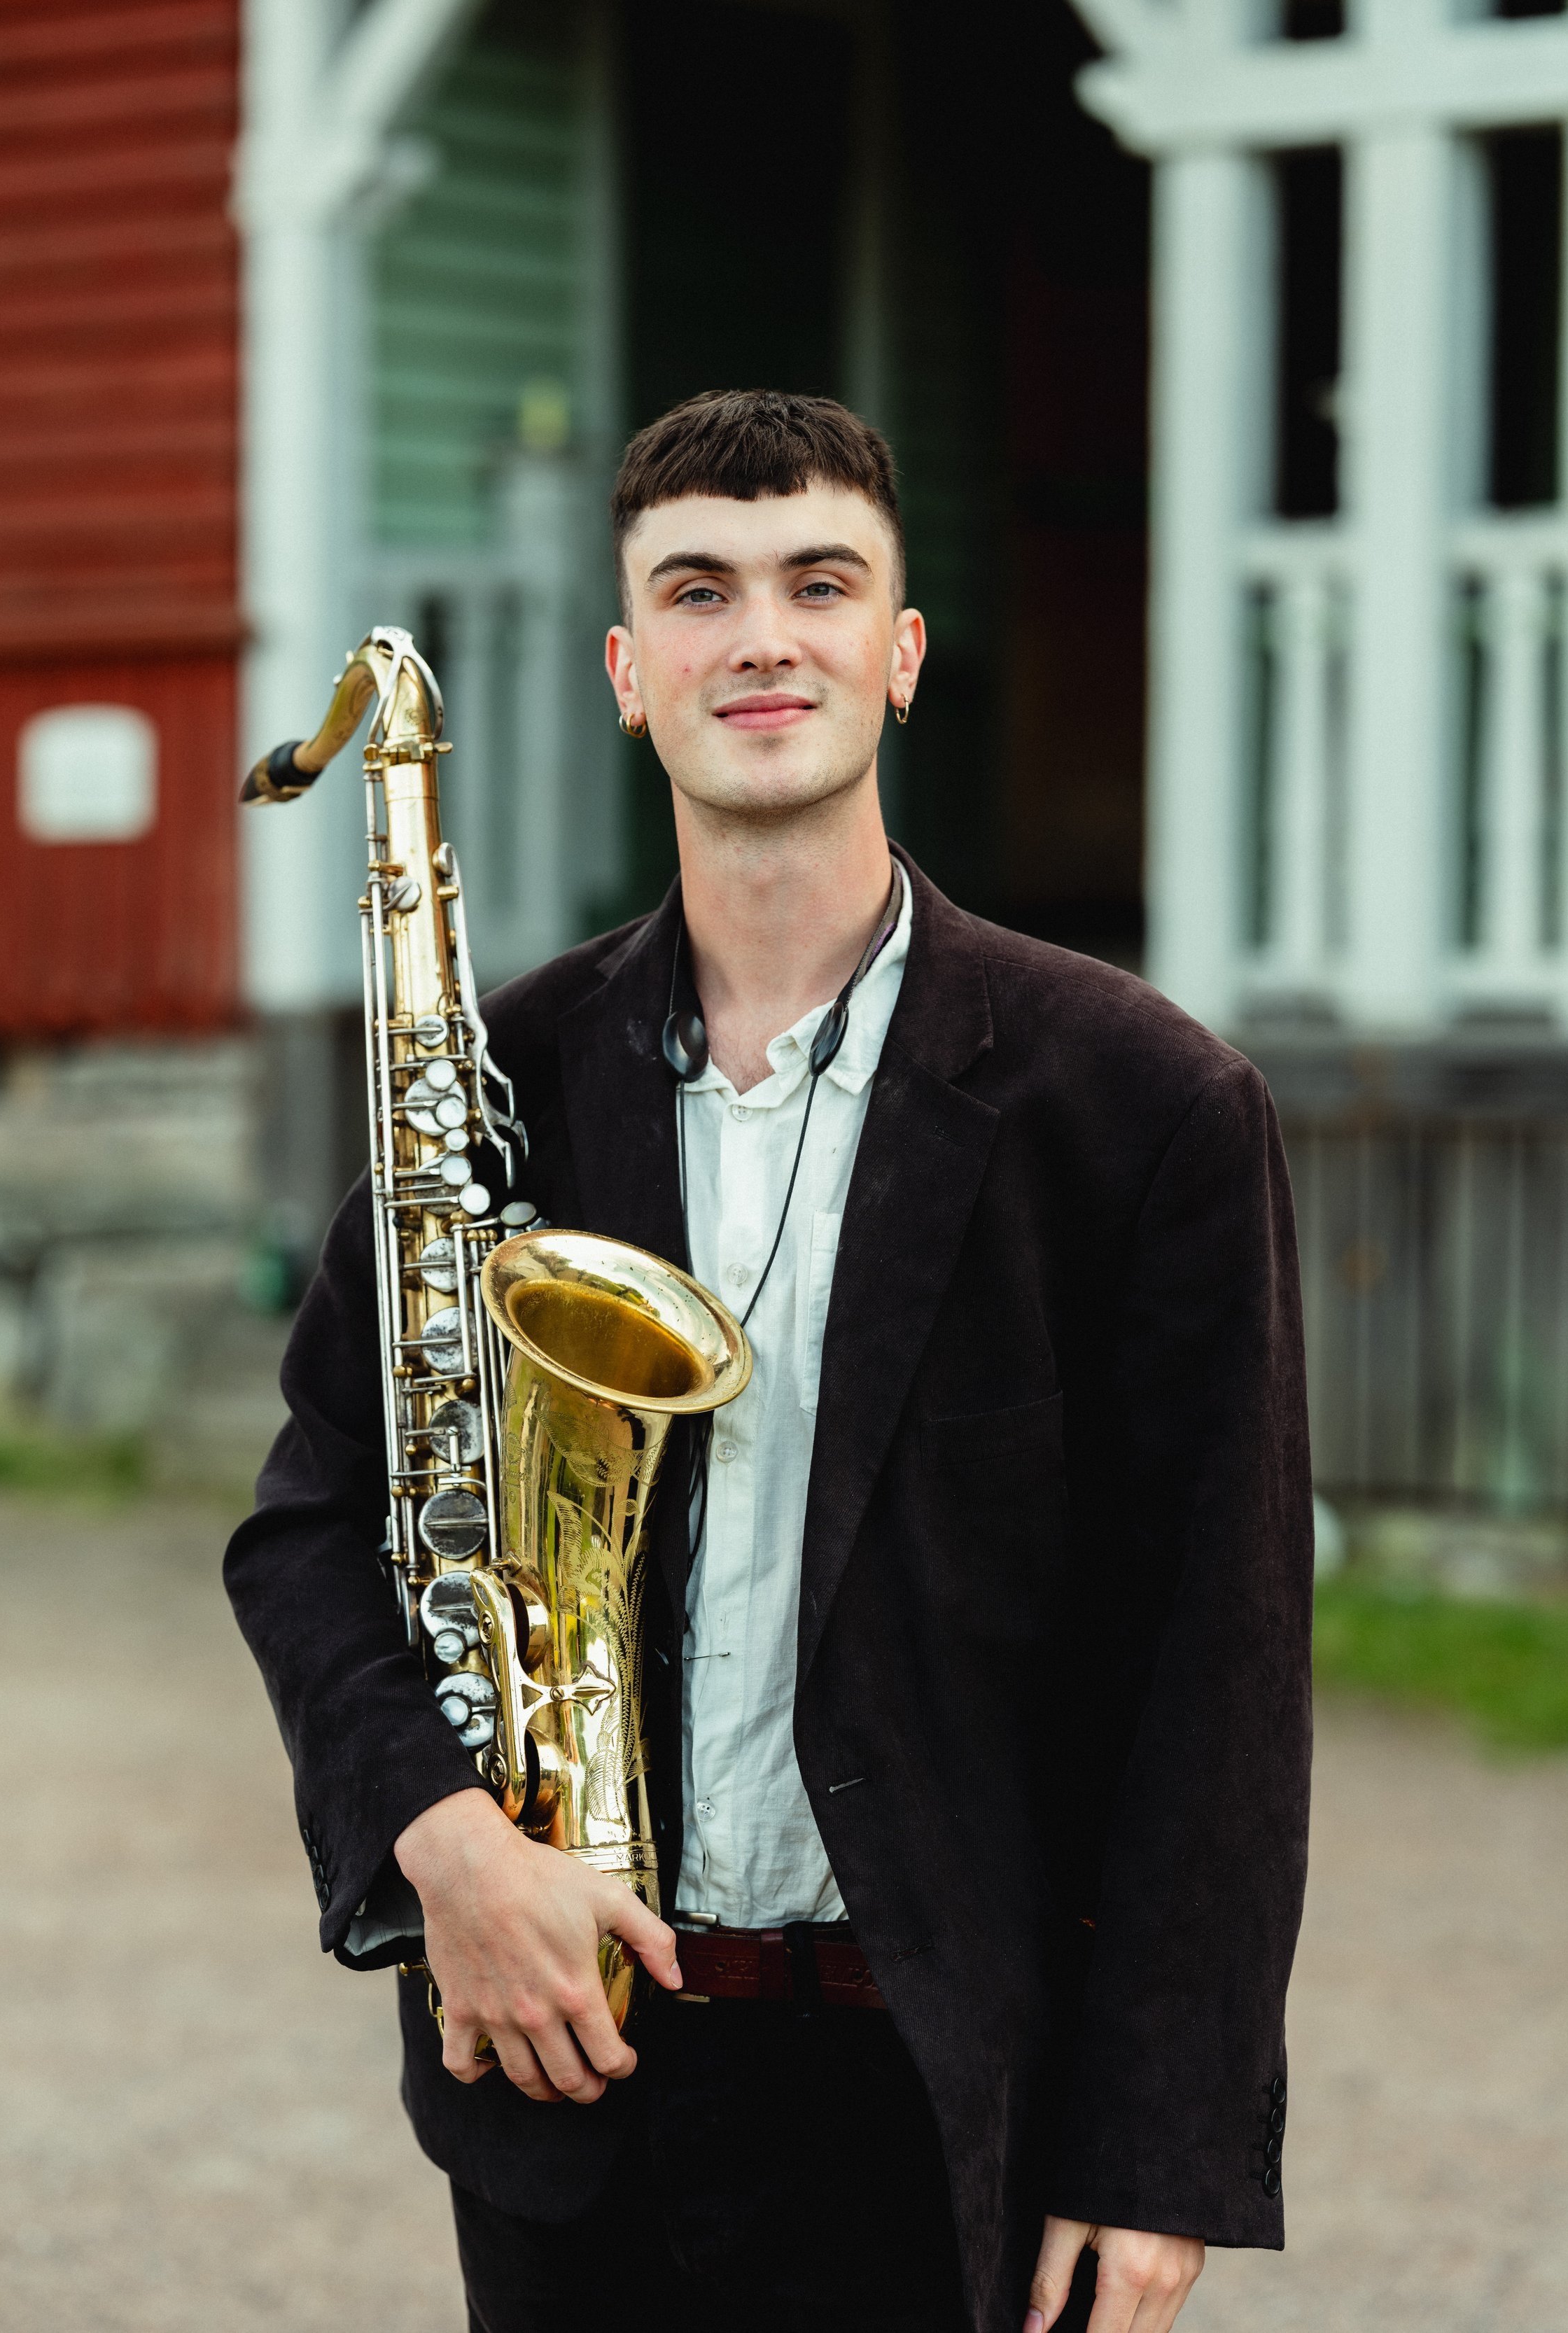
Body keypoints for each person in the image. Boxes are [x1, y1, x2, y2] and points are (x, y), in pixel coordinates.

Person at [225, 389, 1312, 2333]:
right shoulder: (494, 1080)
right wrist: (444, 1844)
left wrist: (1156, 2149)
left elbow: (1214, 1665)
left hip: (950, 2098)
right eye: (699, 591)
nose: (762, 639)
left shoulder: (1143, 1107)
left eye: (821, 584)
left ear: (902, 656)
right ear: (628, 672)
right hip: (576, 2068)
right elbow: (311, 1528)